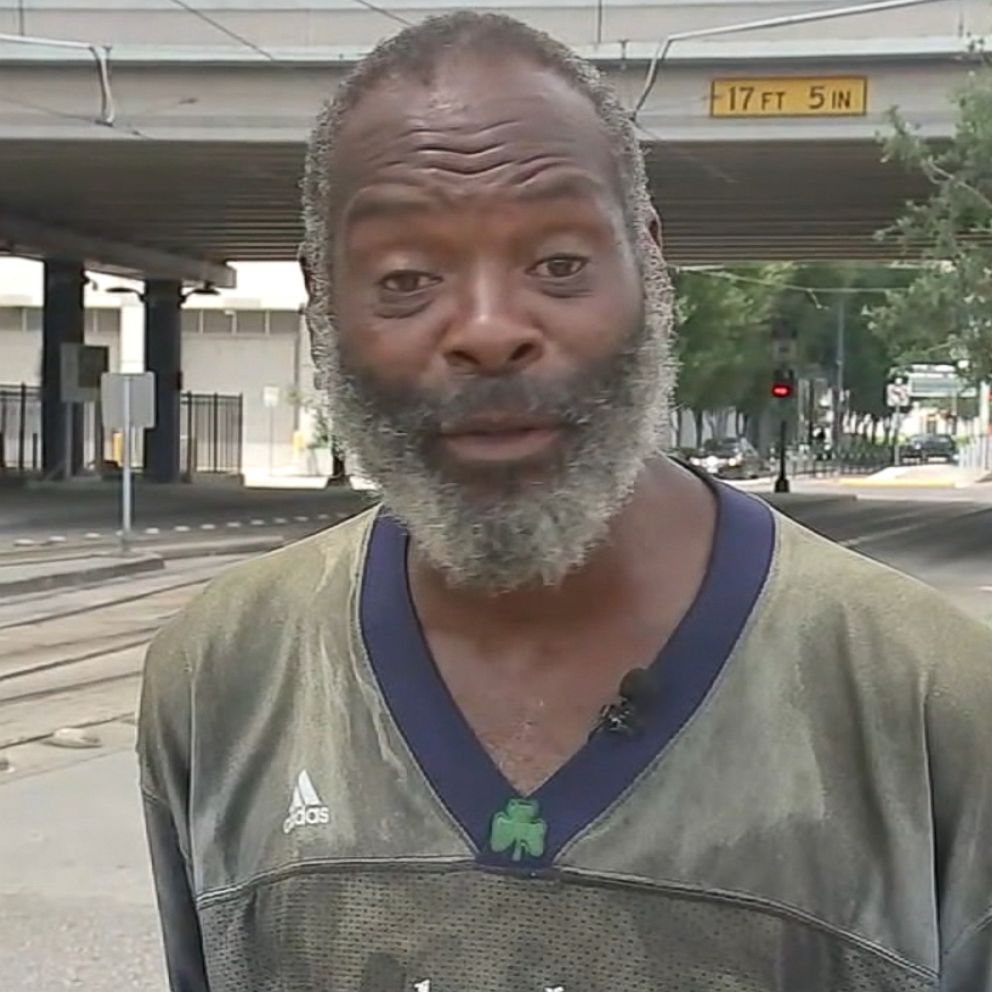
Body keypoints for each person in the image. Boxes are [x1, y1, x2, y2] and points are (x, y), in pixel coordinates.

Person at [137, 12, 992, 991]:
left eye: (558, 264)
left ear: (649, 265)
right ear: (322, 304)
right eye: (406, 278)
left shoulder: (935, 700)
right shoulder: (219, 676)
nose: (490, 331)